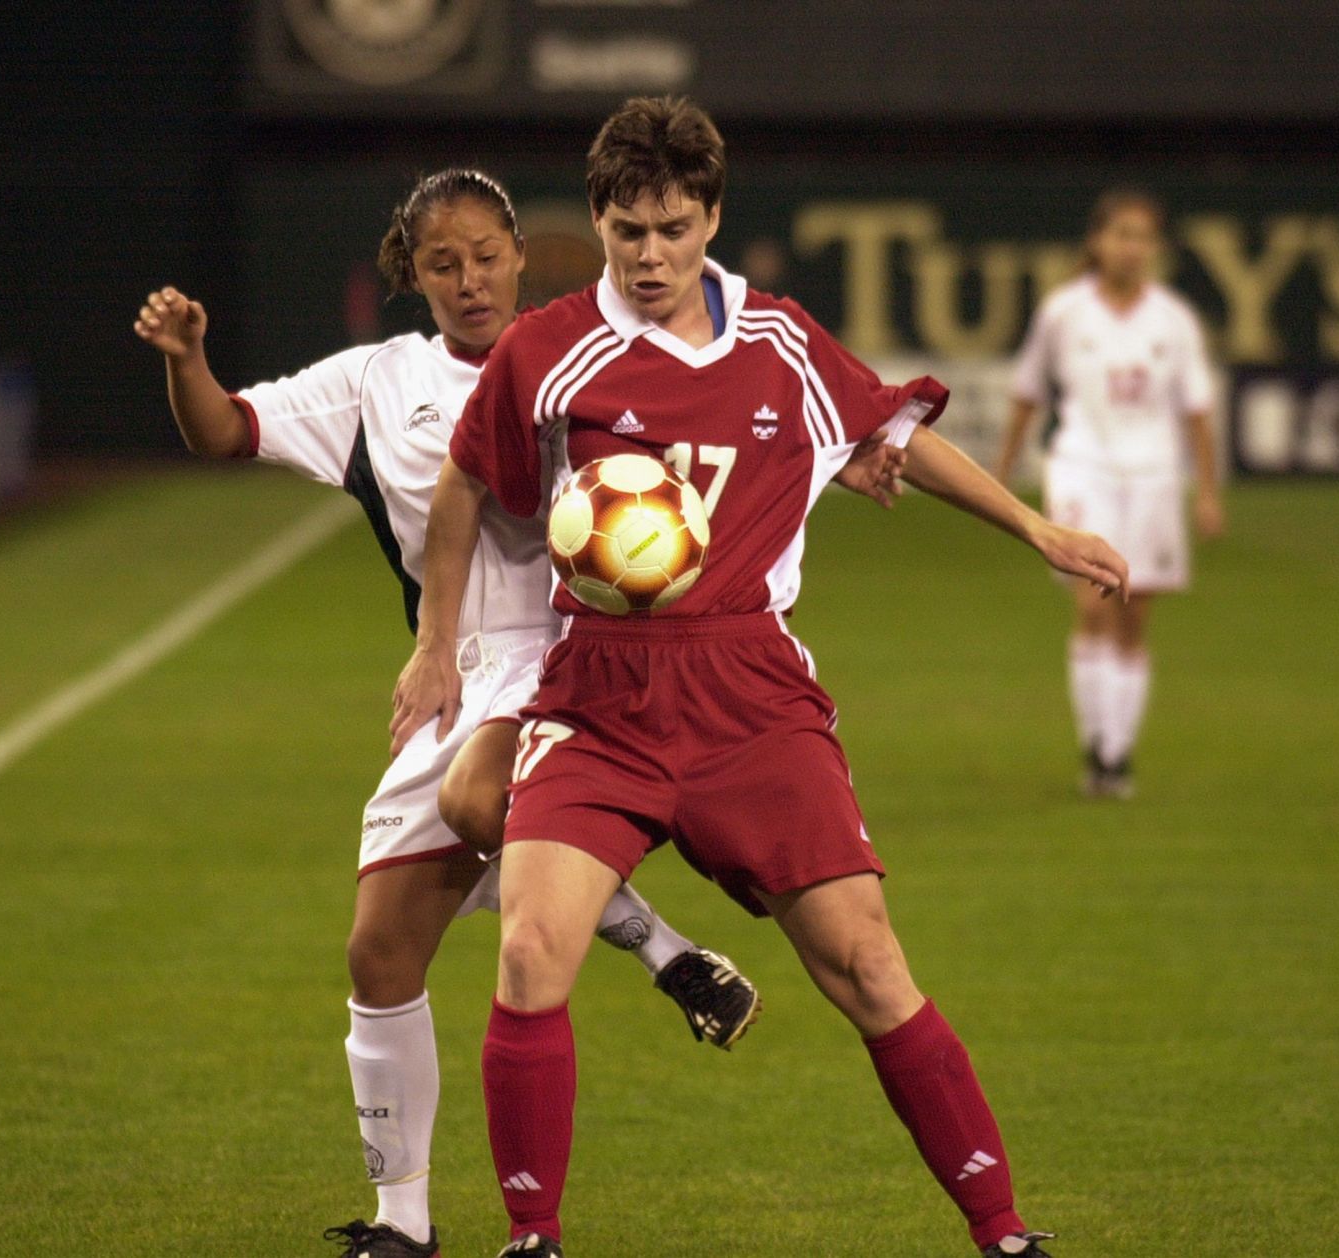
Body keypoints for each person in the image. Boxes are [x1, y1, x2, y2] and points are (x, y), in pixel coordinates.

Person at [393, 98, 1129, 1258]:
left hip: (750, 699)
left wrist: (1038, 529)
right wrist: (435, 643)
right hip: (599, 697)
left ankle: (1002, 1231)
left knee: (869, 964)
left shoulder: (780, 339)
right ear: (599, 221)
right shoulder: (546, 349)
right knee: (533, 946)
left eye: (672, 229)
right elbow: (461, 489)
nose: (648, 255)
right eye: (627, 230)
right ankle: (532, 1236)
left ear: (712, 219)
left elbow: (893, 430)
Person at [132, 167, 900, 1258]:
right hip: (458, 675)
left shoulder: (577, 354)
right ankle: (405, 1221)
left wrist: (860, 449)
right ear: (413, 274)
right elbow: (223, 432)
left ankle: (654, 952)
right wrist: (188, 361)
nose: (471, 278)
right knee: (378, 956)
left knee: (484, 800)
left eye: (489, 253)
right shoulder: (375, 382)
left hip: (581, 661)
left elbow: (734, 429)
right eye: (443, 262)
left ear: (520, 253)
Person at [995, 186, 1224, 799]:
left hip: (1152, 474)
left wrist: (1206, 491)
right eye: (1120, 233)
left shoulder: (1173, 321)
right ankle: (1099, 745)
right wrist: (1002, 472)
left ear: (1155, 248)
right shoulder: (1064, 311)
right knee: (1093, 602)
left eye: (1142, 236)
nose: (1130, 247)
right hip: (1082, 466)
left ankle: (1117, 752)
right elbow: (1027, 392)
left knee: (1132, 615)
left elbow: (1196, 409)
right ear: (1097, 241)